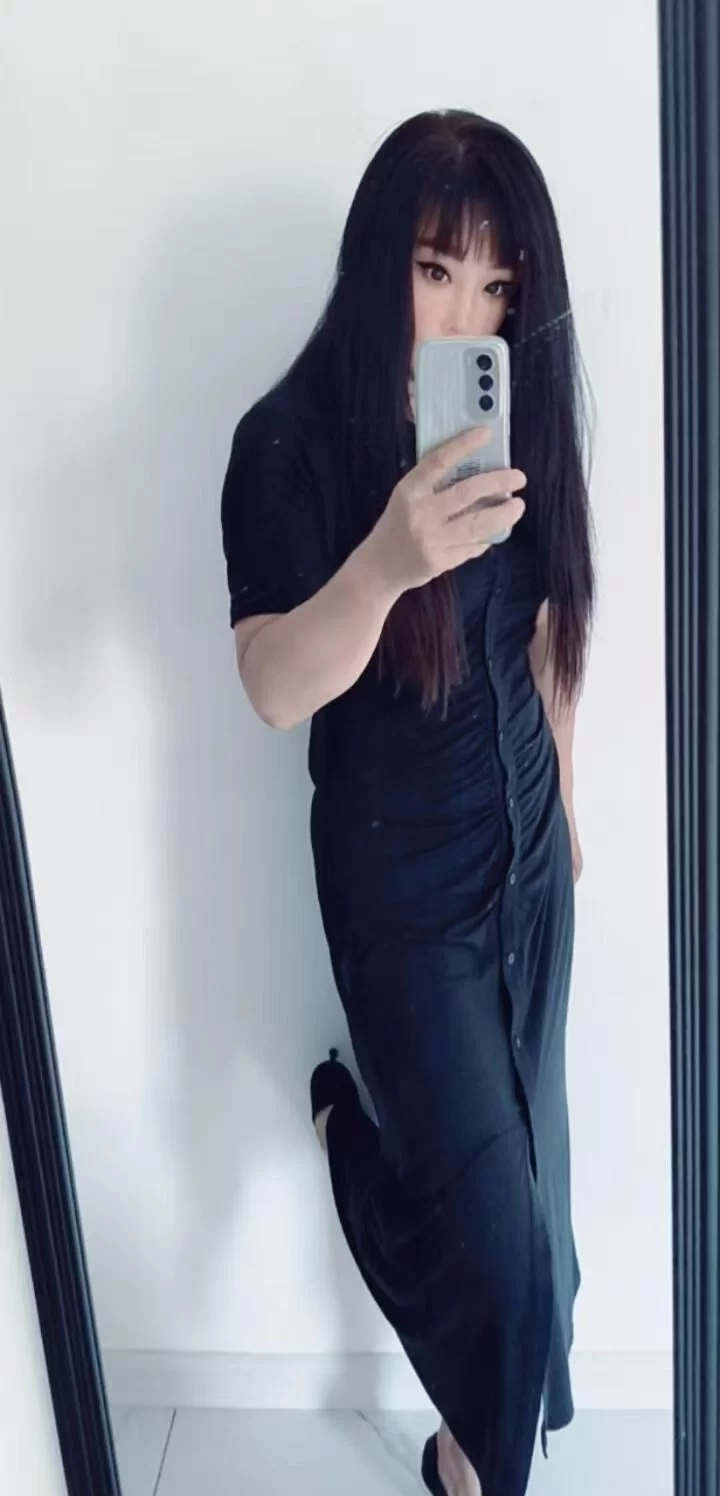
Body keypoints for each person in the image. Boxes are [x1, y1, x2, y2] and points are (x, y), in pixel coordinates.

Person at [220, 109, 595, 1496]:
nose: (466, 315)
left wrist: (572, 817)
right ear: (382, 257)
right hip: (400, 892)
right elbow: (273, 685)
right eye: (438, 270)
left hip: (529, 855)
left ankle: (464, 1449)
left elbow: (548, 633)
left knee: (542, 1228)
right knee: (502, 1261)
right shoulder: (287, 443)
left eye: (498, 286)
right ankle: (355, 1157)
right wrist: (386, 560)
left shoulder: (521, 419)